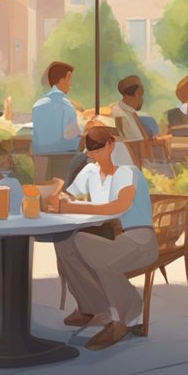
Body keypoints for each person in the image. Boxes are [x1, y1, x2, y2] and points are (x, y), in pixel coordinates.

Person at [46, 125, 155, 351]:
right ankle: (95, 308)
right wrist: (57, 196)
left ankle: (127, 316)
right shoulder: (90, 172)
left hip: (139, 239)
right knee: (65, 242)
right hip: (112, 236)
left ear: (111, 145)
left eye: (99, 150)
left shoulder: (128, 172)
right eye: (91, 151)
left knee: (100, 256)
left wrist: (71, 208)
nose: (95, 155)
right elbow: (69, 194)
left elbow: (120, 205)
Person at [32, 61, 91, 181]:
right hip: (62, 161)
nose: (71, 85)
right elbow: (73, 140)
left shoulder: (37, 105)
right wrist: (83, 138)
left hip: (39, 161)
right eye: (70, 80)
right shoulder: (67, 107)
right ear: (66, 77)